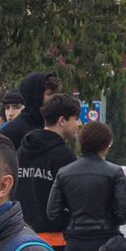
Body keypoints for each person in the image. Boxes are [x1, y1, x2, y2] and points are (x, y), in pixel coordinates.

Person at [45, 120, 126, 251]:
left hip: (75, 244)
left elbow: (52, 213)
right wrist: (111, 219)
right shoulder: (114, 172)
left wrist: (71, 221)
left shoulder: (64, 173)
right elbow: (125, 212)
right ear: (108, 143)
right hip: (107, 243)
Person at [14, 92, 80, 235]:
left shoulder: (21, 151)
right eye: (76, 119)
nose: (79, 124)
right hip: (55, 238)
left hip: (21, 235)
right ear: (62, 121)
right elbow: (73, 199)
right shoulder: (64, 156)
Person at [0, 70, 59, 148]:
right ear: (36, 96)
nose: (55, 98)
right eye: (50, 94)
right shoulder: (9, 133)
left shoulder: (54, 124)